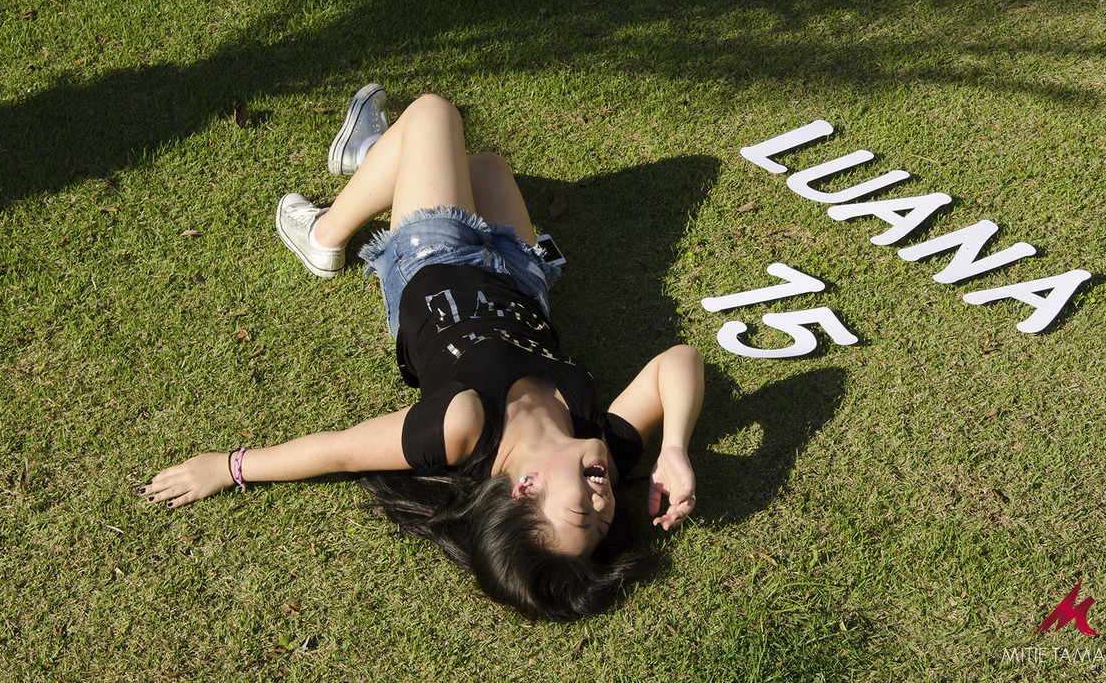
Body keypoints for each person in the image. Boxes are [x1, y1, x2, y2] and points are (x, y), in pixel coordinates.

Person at [140, 85, 705, 619]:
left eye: (583, 510)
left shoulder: (463, 428)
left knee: (434, 114)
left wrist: (229, 467)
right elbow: (679, 362)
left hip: (431, 261)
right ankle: (374, 157)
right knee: (485, 167)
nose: (603, 502)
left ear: (526, 488)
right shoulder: (600, 446)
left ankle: (323, 235)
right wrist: (675, 448)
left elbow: (340, 451)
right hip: (521, 276)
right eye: (603, 522)